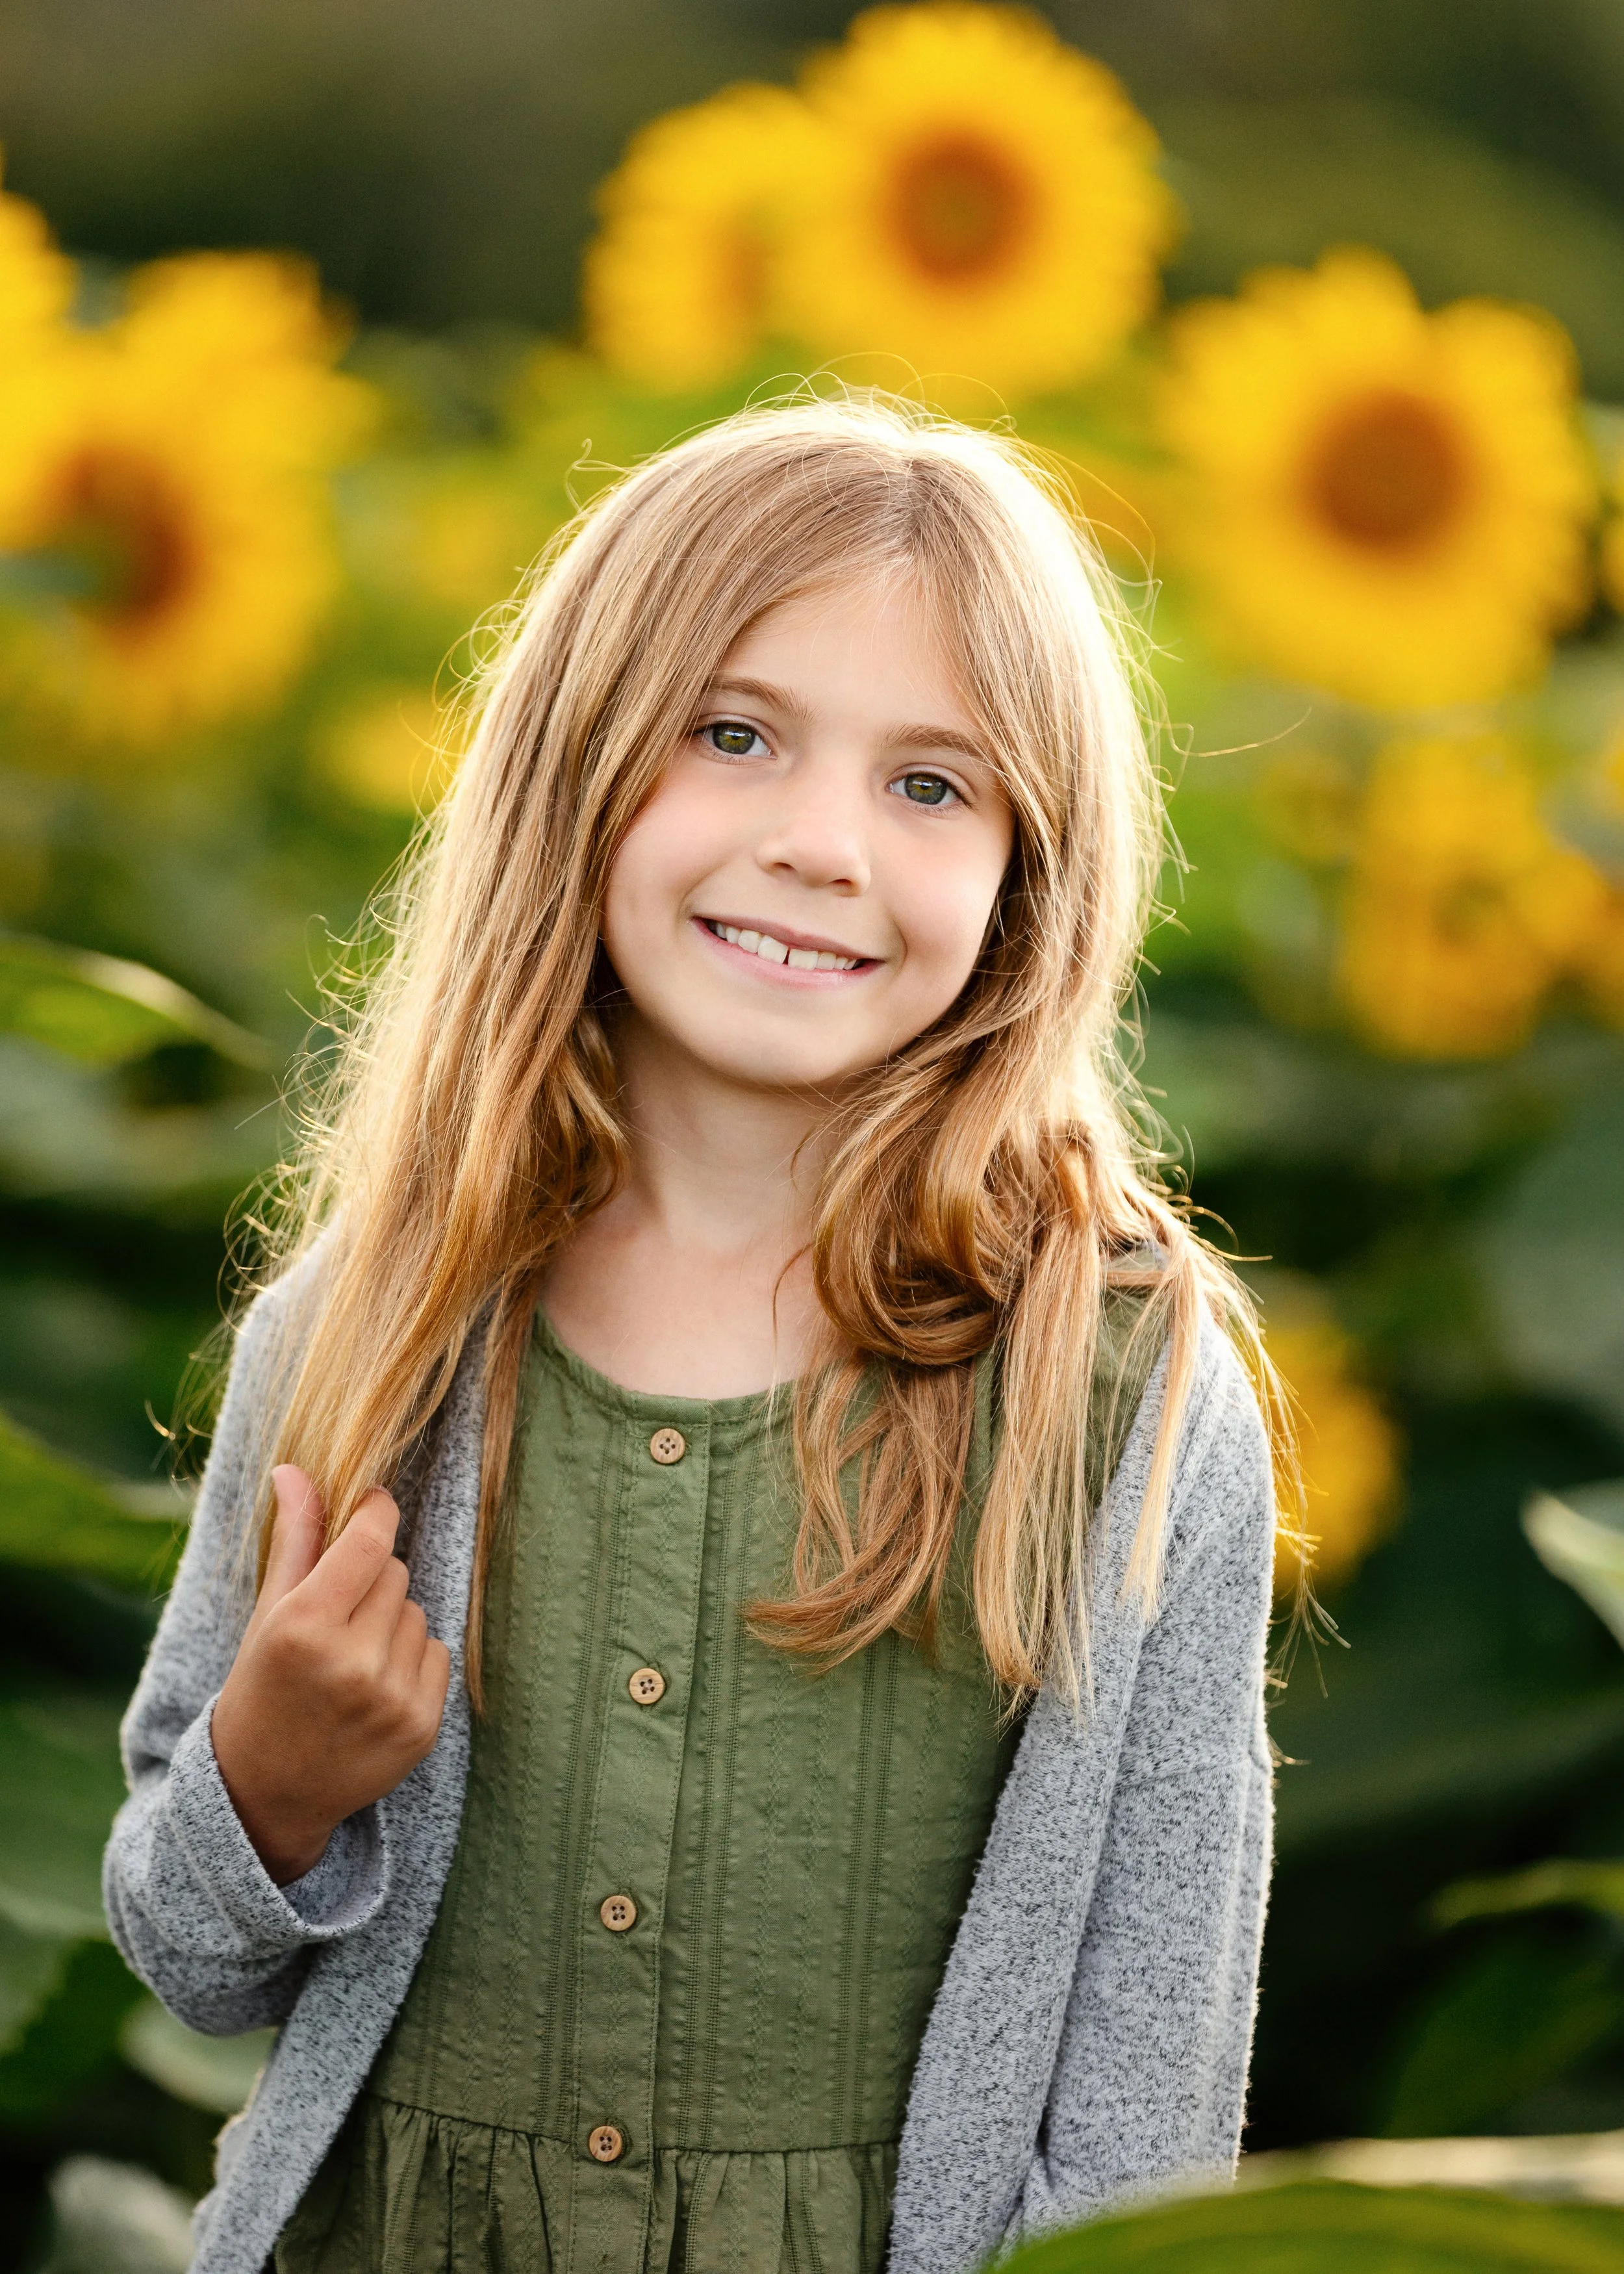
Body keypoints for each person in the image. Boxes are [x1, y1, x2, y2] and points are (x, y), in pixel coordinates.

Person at [103, 396, 1282, 2274]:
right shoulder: (371, 1329)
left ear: (1025, 877)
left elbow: (1149, 2079)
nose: (820, 845)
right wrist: (273, 1770)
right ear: (574, 773)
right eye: (732, 735)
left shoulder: (1116, 1384)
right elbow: (191, 1951)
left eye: (930, 784)